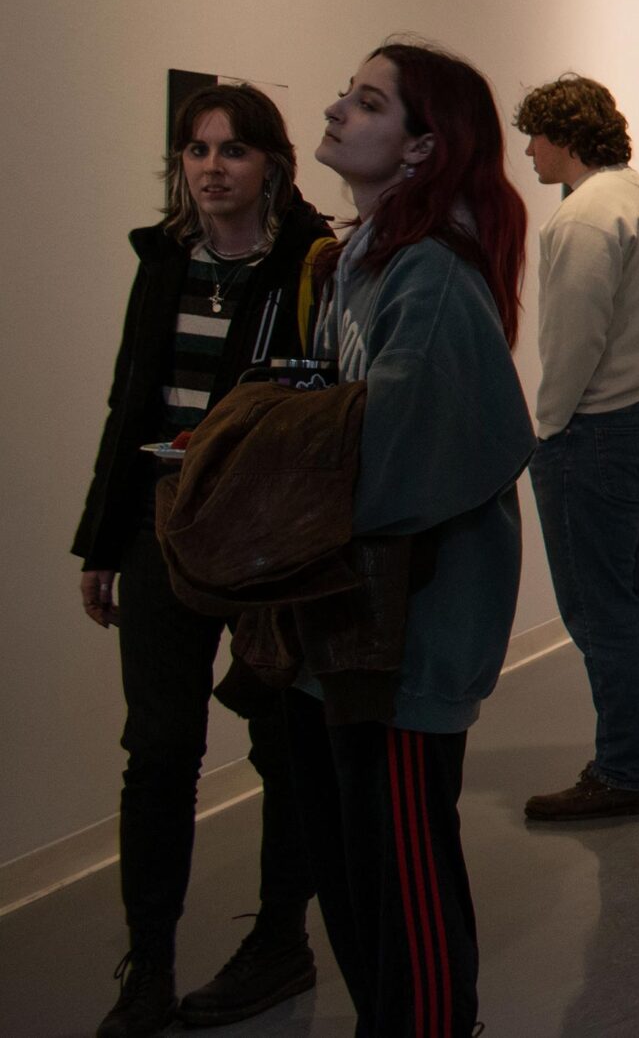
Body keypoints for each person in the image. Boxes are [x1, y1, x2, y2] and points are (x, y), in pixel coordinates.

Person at [77, 84, 334, 1038]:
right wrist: (103, 543)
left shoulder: (311, 263)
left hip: (271, 540)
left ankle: (279, 938)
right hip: (163, 530)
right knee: (157, 753)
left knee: (285, 745)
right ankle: (147, 964)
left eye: (232, 149)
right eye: (196, 150)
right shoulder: (166, 262)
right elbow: (129, 405)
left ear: (272, 161)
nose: (211, 166)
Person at [297, 40, 535, 1037]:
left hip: (412, 625)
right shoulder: (361, 257)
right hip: (362, 617)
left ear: (423, 146)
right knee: (362, 864)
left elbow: (408, 453)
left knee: (403, 867)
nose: (340, 109)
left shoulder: (428, 273)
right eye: (345, 93)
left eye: (368, 101)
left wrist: (286, 491)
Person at [511, 75, 639, 824]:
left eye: (536, 136)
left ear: (568, 135)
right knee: (637, 596)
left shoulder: (582, 218)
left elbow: (572, 339)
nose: (527, 151)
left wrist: (546, 429)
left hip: (600, 428)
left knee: (600, 611)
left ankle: (622, 769)